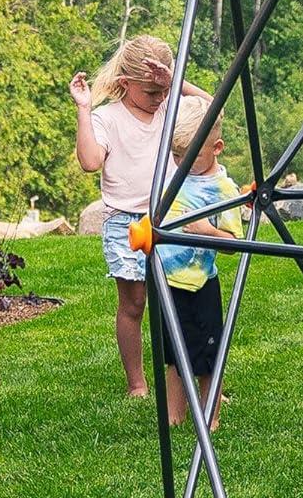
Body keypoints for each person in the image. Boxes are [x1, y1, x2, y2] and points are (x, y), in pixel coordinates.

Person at [69, 35, 210, 397]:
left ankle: (201, 377)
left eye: (162, 91)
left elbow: (212, 111)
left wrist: (175, 80)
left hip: (170, 217)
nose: (158, 99)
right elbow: (88, 161)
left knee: (184, 298)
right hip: (126, 223)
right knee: (133, 303)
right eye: (150, 92)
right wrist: (83, 109)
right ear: (123, 84)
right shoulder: (107, 118)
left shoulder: (167, 107)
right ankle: (137, 382)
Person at [156, 97, 241, 429]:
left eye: (192, 155)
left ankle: (211, 419)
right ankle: (173, 419)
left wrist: (207, 231)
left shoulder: (222, 188)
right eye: (177, 156)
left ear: (217, 147)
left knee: (207, 359)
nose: (183, 162)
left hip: (201, 284)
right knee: (175, 358)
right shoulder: (174, 177)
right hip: (168, 281)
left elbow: (235, 244)